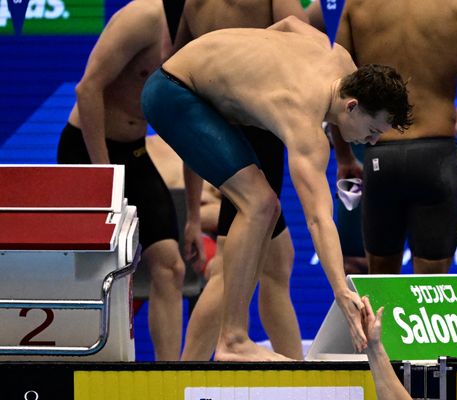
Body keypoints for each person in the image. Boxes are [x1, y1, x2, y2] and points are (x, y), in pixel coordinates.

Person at [141, 16, 413, 360]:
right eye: (373, 130)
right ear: (352, 105)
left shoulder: (339, 58)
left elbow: (287, 23)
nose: (371, 141)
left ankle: (229, 343)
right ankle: (233, 341)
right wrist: (342, 290)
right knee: (259, 204)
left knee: (268, 222)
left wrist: (247, 67)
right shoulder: (303, 120)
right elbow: (318, 219)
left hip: (191, 84)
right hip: (173, 94)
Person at [332, 0, 457, 275]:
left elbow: (336, 91)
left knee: (382, 289)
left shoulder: (357, 6)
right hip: (436, 156)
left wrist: (345, 157)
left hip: (381, 157)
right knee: (434, 291)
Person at [171, 0, 310, 362]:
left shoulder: (192, 3)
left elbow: (178, 73)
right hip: (256, 123)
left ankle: (296, 374)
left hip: (215, 125)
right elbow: (301, 40)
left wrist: (191, 213)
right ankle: (186, 374)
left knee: (278, 261)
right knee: (229, 267)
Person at [57, 0, 186, 361]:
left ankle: (169, 373)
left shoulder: (199, 25)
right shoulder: (142, 17)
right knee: (94, 270)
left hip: (135, 151)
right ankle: (88, 360)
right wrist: (103, 177)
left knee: (170, 266)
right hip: (89, 149)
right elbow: (87, 89)